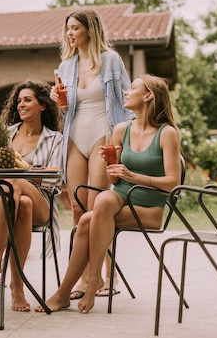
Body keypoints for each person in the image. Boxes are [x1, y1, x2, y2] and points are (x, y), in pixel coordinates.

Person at [36, 74, 182, 314]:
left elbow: (172, 183)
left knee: (86, 220)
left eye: (132, 88)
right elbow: (114, 180)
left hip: (149, 209)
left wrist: (134, 177)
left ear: (148, 96)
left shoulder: (166, 134)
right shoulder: (121, 130)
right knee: (101, 201)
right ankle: (84, 284)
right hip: (120, 198)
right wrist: (110, 165)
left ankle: (81, 286)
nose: (126, 91)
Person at [51, 8, 133, 299]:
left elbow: (128, 101)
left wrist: (124, 141)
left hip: (103, 133)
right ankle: (85, 276)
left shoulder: (110, 60)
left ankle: (105, 275)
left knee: (95, 207)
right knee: (76, 207)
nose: (70, 33)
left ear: (90, 29)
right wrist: (59, 104)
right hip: (75, 136)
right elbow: (66, 109)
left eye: (75, 28)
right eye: (68, 28)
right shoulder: (66, 66)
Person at [0, 81, 63, 312]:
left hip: (42, 200)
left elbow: (56, 176)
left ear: (42, 106)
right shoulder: (5, 135)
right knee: (22, 203)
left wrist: (25, 173)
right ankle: (17, 288)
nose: (22, 104)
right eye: (19, 100)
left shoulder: (54, 139)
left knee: (16, 181)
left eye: (28, 99)